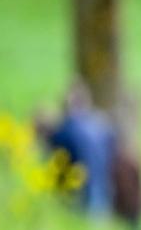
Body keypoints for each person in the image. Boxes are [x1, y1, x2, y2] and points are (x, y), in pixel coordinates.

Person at [46, 82, 116, 217]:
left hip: (78, 196)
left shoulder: (66, 130)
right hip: (103, 193)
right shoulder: (102, 128)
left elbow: (55, 167)